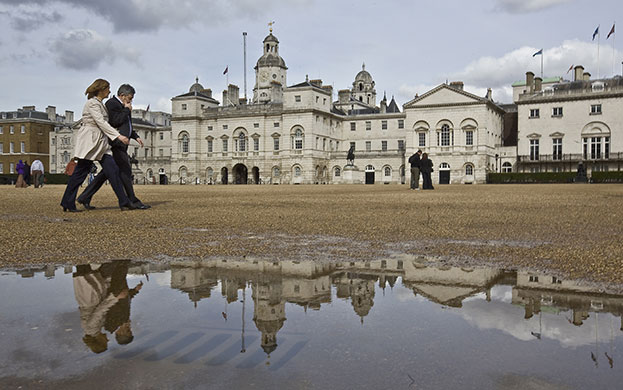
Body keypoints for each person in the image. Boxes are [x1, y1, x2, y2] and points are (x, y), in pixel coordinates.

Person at [60, 78, 135, 212]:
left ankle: (124, 201)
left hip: (100, 144)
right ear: (100, 90)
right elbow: (101, 122)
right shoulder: (92, 103)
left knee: (113, 170)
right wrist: (118, 136)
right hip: (90, 142)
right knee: (79, 175)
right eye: (107, 88)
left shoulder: (100, 104)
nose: (109, 91)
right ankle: (67, 202)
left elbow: (106, 123)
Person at [77, 84, 150, 210]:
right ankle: (132, 200)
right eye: (129, 98)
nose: (131, 101)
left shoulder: (123, 106)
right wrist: (126, 110)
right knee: (125, 171)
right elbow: (115, 122)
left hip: (121, 144)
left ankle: (84, 197)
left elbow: (126, 124)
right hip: (115, 144)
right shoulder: (112, 104)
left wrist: (135, 136)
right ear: (122, 96)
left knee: (106, 173)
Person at [73, 262, 127, 354]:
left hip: (90, 298)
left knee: (84, 270)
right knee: (84, 268)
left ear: (100, 341)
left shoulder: (91, 329)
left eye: (106, 342)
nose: (108, 340)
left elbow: (99, 311)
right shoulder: (93, 330)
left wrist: (115, 298)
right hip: (89, 299)